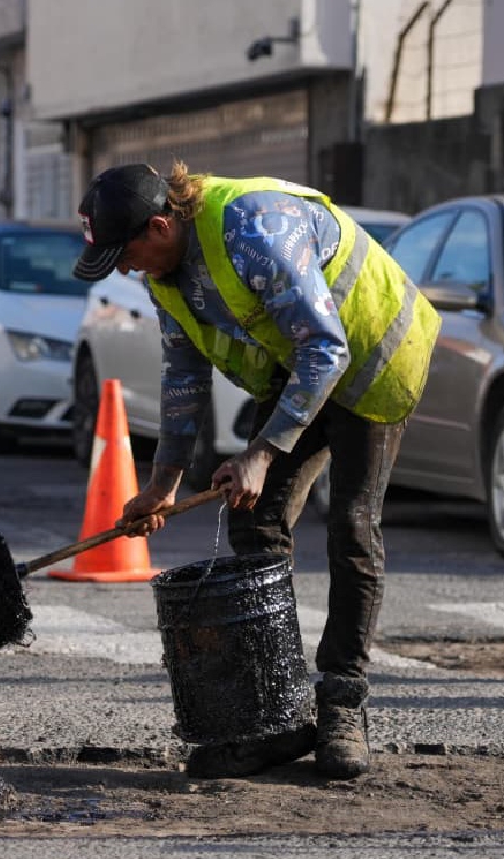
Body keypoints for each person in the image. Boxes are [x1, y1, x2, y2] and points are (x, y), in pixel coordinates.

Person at [73, 162, 440, 780]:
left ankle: (343, 706)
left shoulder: (252, 229)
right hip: (299, 369)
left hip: (371, 354)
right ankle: (278, 715)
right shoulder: (165, 277)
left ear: (160, 225)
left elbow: (328, 347)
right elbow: (183, 378)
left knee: (351, 525)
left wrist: (261, 454)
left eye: (127, 254)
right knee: (254, 519)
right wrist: (160, 486)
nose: (126, 270)